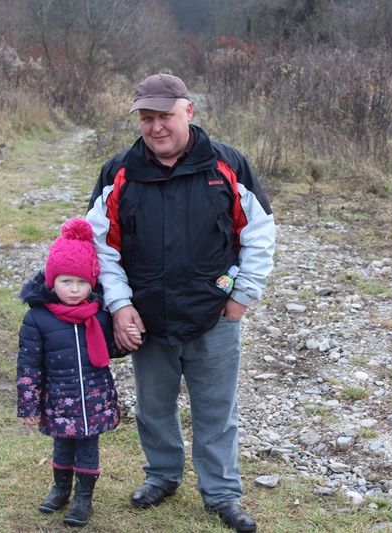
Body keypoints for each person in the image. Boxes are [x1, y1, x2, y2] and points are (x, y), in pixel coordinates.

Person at [86, 73, 276, 532]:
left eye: (165, 116)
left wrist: (242, 297)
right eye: (147, 118)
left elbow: (259, 232)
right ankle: (162, 476)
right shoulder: (119, 172)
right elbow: (101, 247)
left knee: (217, 410)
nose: (156, 127)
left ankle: (222, 493)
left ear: (188, 111)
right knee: (153, 407)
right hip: (147, 318)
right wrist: (120, 305)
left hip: (215, 315)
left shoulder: (228, 165)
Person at [16, 218, 120, 528]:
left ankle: (83, 498)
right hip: (59, 399)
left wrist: (129, 335)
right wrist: (28, 405)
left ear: (92, 283)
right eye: (66, 281)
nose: (74, 289)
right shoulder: (37, 318)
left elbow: (113, 348)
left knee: (87, 447)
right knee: (62, 444)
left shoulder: (100, 315)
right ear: (52, 281)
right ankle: (60, 489)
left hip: (94, 398)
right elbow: (29, 364)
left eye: (81, 282)